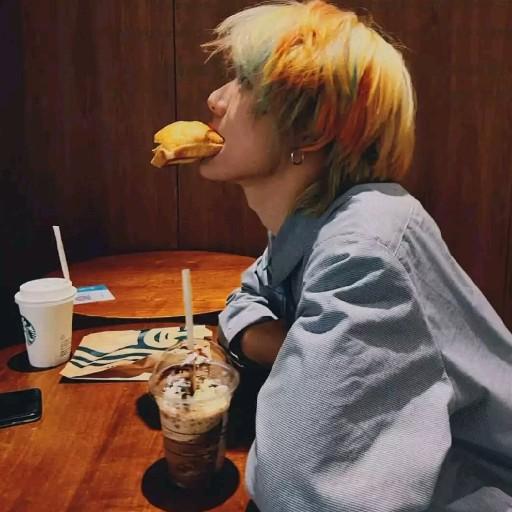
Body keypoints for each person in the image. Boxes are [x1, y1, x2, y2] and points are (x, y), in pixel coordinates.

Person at [198, 1, 512, 510]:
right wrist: (294, 351)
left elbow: (299, 491)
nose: (215, 99)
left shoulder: (362, 247)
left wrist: (307, 361)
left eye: (244, 82)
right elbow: (245, 297)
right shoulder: (313, 219)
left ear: (311, 131)